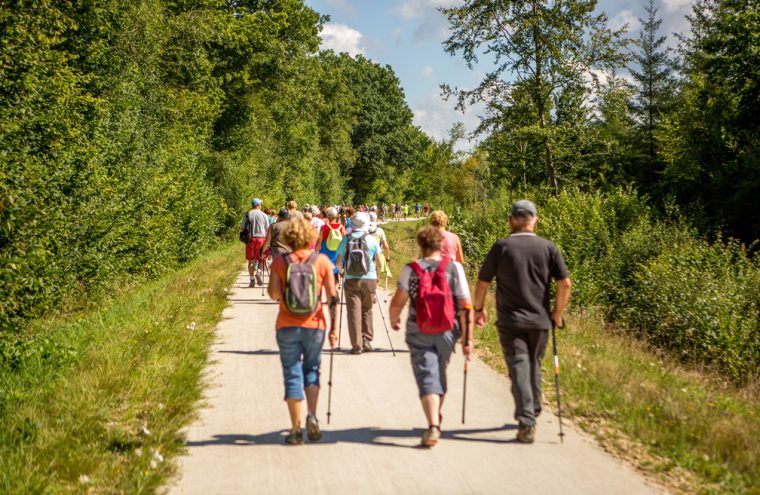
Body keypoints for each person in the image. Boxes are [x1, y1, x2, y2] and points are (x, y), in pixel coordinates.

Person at [472, 200, 572, 444]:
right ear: (535, 219)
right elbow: (565, 283)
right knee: (533, 364)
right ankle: (533, 407)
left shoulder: (501, 247)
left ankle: (527, 420)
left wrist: (478, 308)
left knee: (519, 366)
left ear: (511, 220)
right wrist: (557, 313)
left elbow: (483, 282)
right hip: (540, 320)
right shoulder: (549, 248)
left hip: (511, 320)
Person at [389, 226, 473, 447]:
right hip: (448, 330)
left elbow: (398, 301)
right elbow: (465, 305)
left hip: (419, 329)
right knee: (440, 371)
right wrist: (468, 337)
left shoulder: (412, 269)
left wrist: (394, 319)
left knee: (428, 374)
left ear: (421, 245)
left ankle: (433, 425)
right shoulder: (454, 268)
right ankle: (436, 416)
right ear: (440, 245)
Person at [267, 218, 338, 445]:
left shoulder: (280, 262)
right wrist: (334, 329)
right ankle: (313, 416)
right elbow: (332, 298)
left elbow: (273, 294)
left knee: (292, 374)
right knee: (312, 370)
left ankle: (296, 430)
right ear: (311, 237)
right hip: (315, 326)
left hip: (287, 325)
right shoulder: (322, 261)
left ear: (288, 238)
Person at [336, 212, 380, 354]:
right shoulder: (372, 239)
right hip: (370, 278)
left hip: (351, 279)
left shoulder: (346, 239)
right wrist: (377, 277)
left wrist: (342, 272)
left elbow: (338, 263)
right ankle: (366, 339)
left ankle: (356, 345)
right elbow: (380, 262)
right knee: (367, 309)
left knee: (353, 311)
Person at [241, 198, 270, 287]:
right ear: (258, 205)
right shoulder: (264, 215)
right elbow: (267, 229)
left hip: (250, 239)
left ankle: (252, 280)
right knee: (261, 258)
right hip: (261, 239)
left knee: (251, 260)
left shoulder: (247, 214)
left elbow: (242, 228)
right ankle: (259, 272)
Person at [316, 207, 345, 280]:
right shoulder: (341, 227)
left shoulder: (324, 227)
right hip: (337, 254)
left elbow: (319, 243)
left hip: (325, 252)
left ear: (327, 216)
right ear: (336, 215)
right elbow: (344, 242)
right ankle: (335, 286)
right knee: (335, 274)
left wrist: (315, 251)